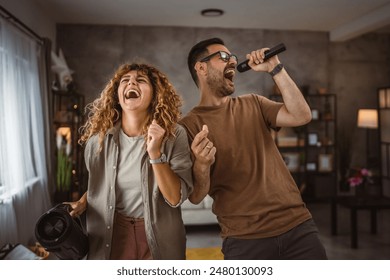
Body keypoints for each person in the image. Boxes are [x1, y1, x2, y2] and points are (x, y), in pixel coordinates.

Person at [179, 37, 327, 260]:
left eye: (233, 58)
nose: (232, 62)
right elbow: (196, 197)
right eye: (223, 57)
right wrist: (201, 164)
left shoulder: (254, 103)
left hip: (298, 227)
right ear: (201, 67)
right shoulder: (187, 127)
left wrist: (275, 68)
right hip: (244, 239)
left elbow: (301, 115)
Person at [65, 62, 193, 260]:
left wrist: (156, 154)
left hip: (159, 235)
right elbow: (102, 186)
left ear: (155, 94)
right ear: (117, 94)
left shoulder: (174, 135)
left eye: (140, 80)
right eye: (125, 80)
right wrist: (83, 202)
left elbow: (175, 198)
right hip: (113, 231)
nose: (131, 82)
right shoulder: (96, 143)